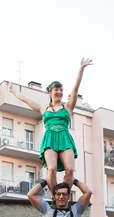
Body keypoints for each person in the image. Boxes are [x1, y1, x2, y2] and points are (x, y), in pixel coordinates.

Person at [9, 59, 93, 192]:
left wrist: (81, 68)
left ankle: (64, 195)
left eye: (61, 89)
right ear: (50, 92)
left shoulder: (68, 107)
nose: (59, 92)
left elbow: (75, 89)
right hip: (50, 139)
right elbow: (26, 100)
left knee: (70, 170)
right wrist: (14, 92)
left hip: (64, 137)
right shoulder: (44, 108)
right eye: (56, 89)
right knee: (51, 169)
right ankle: (55, 197)